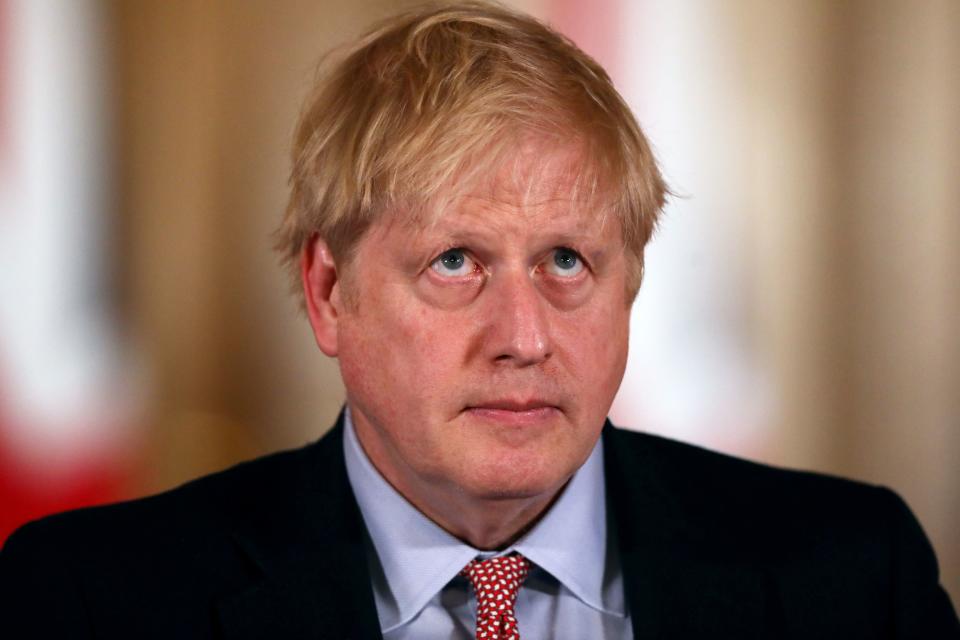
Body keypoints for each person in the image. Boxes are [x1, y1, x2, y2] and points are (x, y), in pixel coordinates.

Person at [1, 2, 957, 638]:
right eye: (456, 263)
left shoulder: (854, 578)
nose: (524, 336)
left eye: (568, 262)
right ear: (331, 291)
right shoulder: (94, 602)